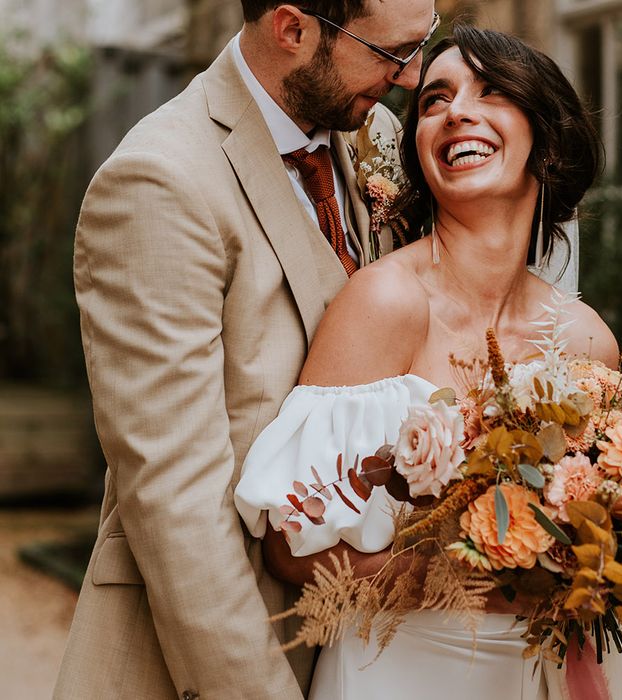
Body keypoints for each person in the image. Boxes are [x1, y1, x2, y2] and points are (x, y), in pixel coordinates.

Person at [235, 26, 622, 699]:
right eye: (434, 101)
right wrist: (477, 577)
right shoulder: (385, 302)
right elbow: (288, 543)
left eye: (492, 91)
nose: (457, 111)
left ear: (548, 137)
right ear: (420, 151)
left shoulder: (587, 339)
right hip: (403, 672)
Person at [53, 2, 441, 699]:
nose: (412, 77)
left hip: (367, 653)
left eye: (422, 44)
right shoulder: (159, 181)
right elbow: (175, 501)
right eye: (392, 51)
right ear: (292, 29)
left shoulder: (373, 132)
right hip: (219, 652)